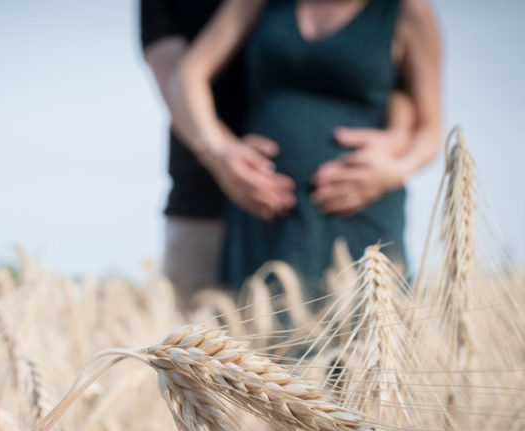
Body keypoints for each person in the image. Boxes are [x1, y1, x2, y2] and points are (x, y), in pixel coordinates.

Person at [157, 0, 441, 292]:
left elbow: (430, 129)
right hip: (263, 214)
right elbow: (189, 74)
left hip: (362, 211)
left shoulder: (407, 9)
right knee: (255, 330)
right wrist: (220, 150)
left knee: (366, 326)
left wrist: (394, 170)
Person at [140, 1, 247, 303]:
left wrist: (393, 159)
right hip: (199, 201)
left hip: (302, 208)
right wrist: (222, 153)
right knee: (190, 334)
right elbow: (177, 78)